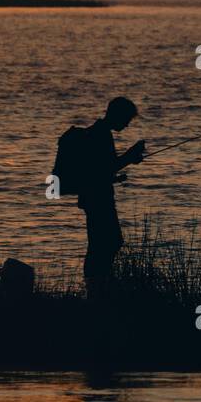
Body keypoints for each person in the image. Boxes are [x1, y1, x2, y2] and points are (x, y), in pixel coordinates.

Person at [79, 97, 145, 300]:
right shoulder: (100, 134)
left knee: (104, 243)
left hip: (95, 196)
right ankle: (96, 287)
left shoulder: (98, 132)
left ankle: (98, 285)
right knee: (108, 242)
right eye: (126, 119)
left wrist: (116, 177)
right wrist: (130, 156)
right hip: (98, 199)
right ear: (117, 115)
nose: (126, 125)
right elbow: (107, 167)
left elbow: (98, 169)